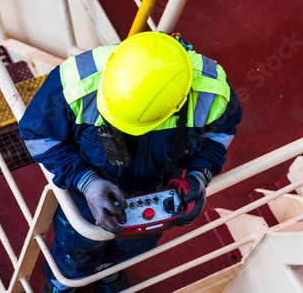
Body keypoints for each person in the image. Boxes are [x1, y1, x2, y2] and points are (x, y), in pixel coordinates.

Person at [19, 32, 242, 293]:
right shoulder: (73, 84)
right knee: (74, 253)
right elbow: (37, 135)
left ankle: (108, 273)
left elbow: (219, 136)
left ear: (178, 103)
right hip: (84, 200)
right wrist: (86, 181)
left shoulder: (212, 93)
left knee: (132, 249)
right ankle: (63, 284)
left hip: (155, 200)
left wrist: (198, 176)